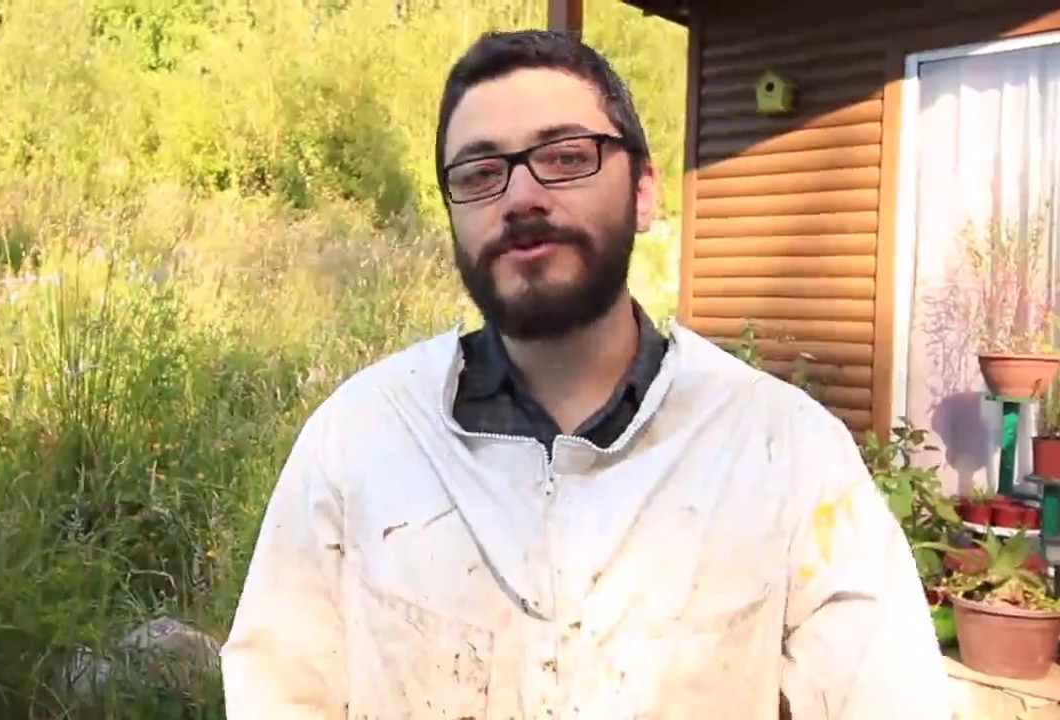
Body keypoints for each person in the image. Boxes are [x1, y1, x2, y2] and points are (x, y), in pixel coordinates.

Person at [220, 29, 952, 719]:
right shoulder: (362, 438)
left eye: (566, 156)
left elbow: (887, 695)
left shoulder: (783, 451)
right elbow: (278, 688)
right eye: (479, 172)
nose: (520, 197)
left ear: (642, 191)